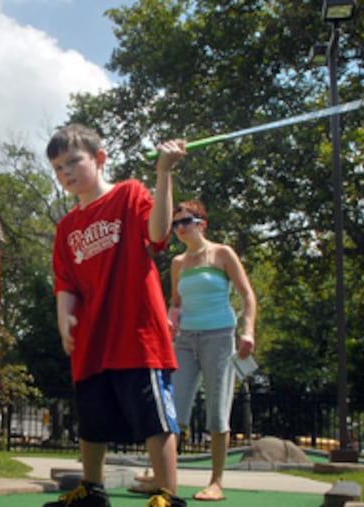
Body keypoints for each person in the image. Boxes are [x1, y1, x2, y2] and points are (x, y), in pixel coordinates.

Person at [44, 123, 188, 507]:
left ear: (100, 159)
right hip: (92, 341)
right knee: (91, 420)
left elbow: (158, 232)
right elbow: (65, 282)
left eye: (73, 161)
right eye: (58, 168)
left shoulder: (129, 194)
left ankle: (165, 494)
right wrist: (64, 320)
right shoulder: (67, 227)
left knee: (154, 418)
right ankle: (91, 491)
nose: (66, 173)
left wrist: (164, 172)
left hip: (137, 334)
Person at [168, 200, 257, 501]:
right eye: (176, 224)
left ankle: (216, 481)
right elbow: (176, 304)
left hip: (219, 336)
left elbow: (247, 295)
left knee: (218, 413)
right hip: (185, 341)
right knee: (173, 411)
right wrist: (170, 323)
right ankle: (164, 476)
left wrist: (248, 331)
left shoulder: (222, 254)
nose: (180, 228)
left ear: (202, 223)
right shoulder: (178, 263)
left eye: (186, 221)